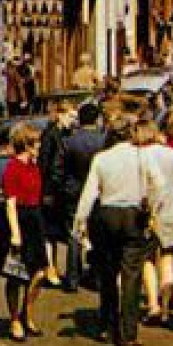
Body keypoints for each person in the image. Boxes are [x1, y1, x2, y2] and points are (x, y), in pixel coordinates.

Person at [73, 113, 161, 346]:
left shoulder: (101, 159)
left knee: (108, 273)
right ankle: (128, 332)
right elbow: (158, 185)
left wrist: (79, 222)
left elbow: (89, 193)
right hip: (133, 215)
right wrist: (151, 208)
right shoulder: (142, 157)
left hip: (106, 214)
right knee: (132, 275)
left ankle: (106, 325)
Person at [138, 119, 173, 323]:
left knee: (147, 259)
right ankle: (167, 307)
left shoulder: (140, 155)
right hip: (172, 209)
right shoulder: (172, 153)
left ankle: (153, 305)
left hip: (148, 211)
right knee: (168, 257)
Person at [0, 122, 48, 342]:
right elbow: (10, 203)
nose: (39, 147)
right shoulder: (12, 168)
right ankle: (14, 319)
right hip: (19, 220)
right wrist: (15, 233)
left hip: (35, 219)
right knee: (15, 275)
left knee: (38, 272)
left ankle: (27, 311)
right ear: (26, 145)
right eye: (36, 144)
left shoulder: (35, 167)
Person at [59, 103, 108, 291]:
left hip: (74, 190)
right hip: (98, 191)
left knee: (74, 234)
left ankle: (72, 278)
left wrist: (62, 187)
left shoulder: (69, 141)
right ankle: (96, 276)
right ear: (96, 119)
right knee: (97, 233)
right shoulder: (103, 140)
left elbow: (60, 167)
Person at [38, 103, 76, 287]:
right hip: (50, 190)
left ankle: (54, 267)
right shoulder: (50, 135)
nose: (73, 120)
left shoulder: (66, 135)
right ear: (60, 115)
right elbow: (44, 165)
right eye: (70, 116)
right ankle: (50, 268)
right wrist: (47, 191)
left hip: (60, 190)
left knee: (55, 232)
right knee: (49, 233)